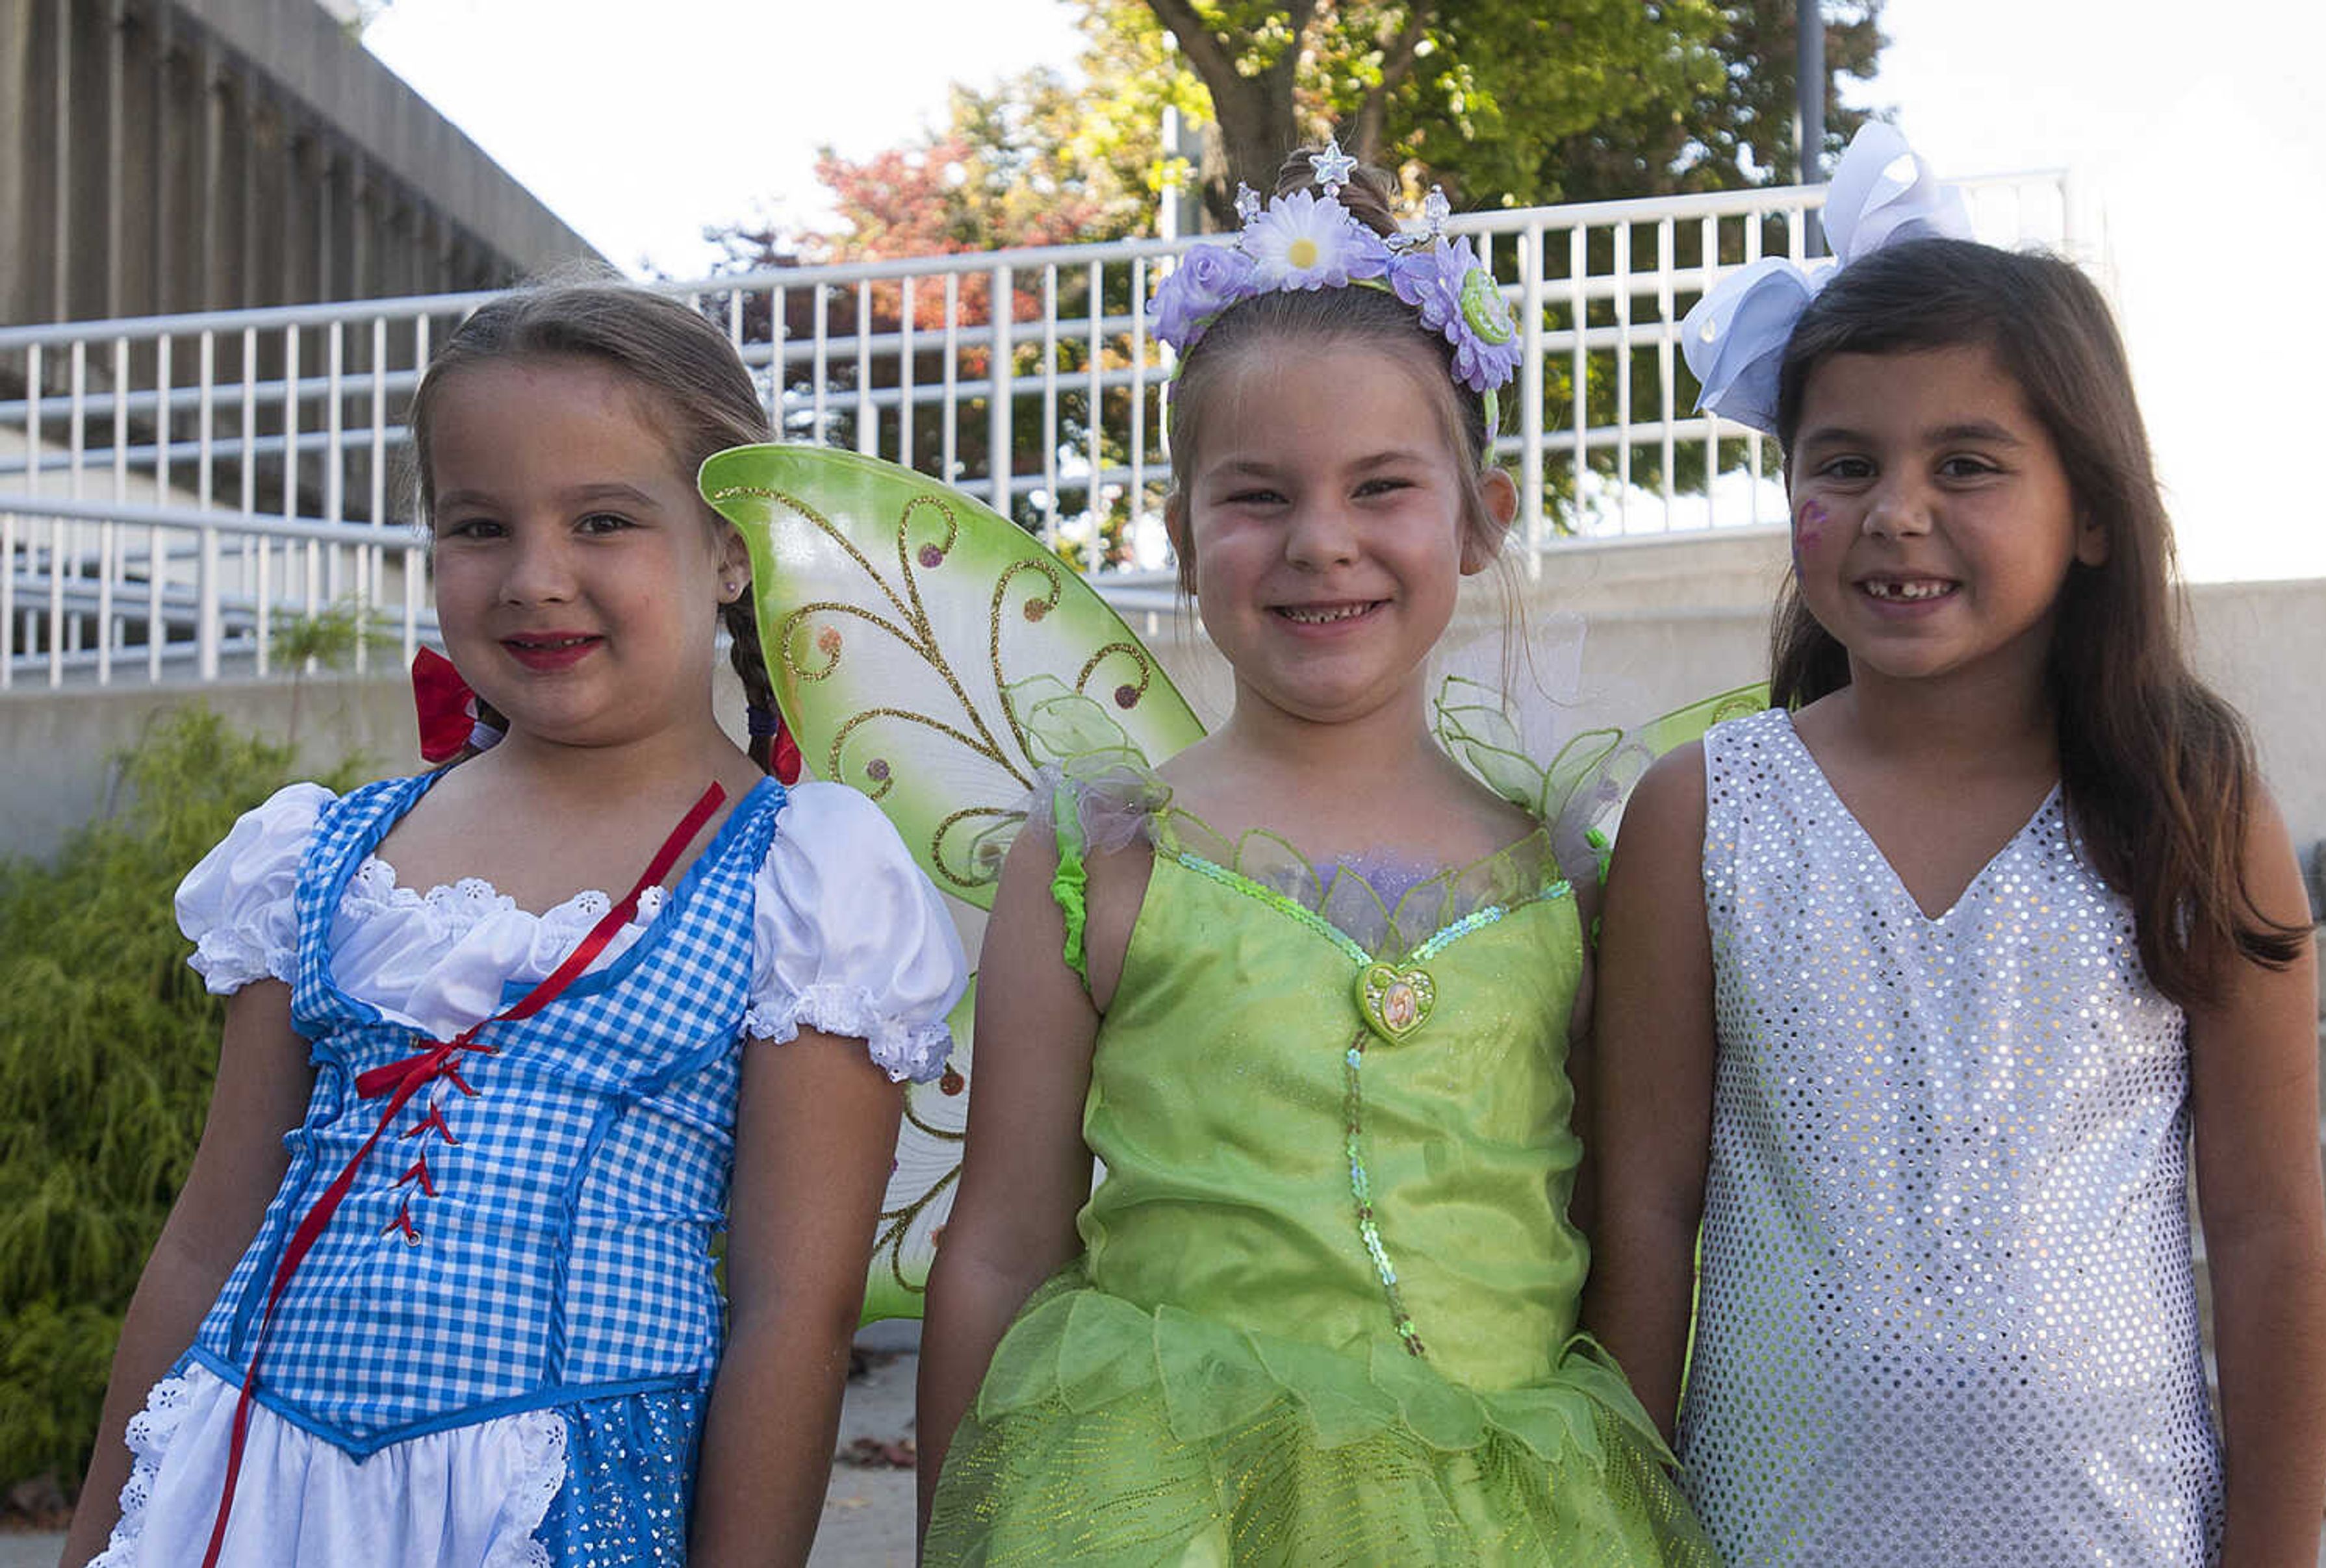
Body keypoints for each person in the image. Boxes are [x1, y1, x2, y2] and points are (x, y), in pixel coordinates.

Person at [59, 281, 967, 1568]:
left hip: (564, 1508)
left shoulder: (802, 880)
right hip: (246, 1493)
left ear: (729, 551)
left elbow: (791, 1316)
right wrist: (99, 1533)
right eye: (479, 526)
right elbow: (211, 1231)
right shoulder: (323, 852)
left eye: (604, 519)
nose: (539, 579)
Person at [911, 144, 1718, 1567]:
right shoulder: (1100, 855)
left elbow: (1619, 1225)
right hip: (1158, 1519)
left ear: (1482, 523)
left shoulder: (1572, 869)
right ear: (1180, 533)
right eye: (1258, 496)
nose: (1320, 542)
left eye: (1382, 487)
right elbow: (997, 1244)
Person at [1589, 127, 2326, 1565]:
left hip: (2118, 1535)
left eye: (1970, 463)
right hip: (1763, 1533)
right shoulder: (1701, 811)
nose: (1898, 513)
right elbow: (1645, 1206)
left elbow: (2265, 1230)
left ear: (2099, 512)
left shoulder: (2194, 802)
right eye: (1846, 462)